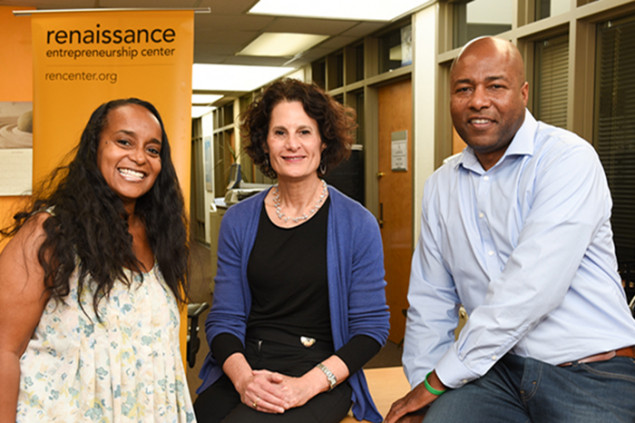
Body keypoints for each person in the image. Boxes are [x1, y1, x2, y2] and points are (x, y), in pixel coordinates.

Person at [385, 36, 635, 423]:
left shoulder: (567, 160)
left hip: (590, 372)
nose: (478, 100)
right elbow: (431, 302)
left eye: (495, 86)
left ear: (523, 93)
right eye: (464, 88)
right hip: (495, 375)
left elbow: (530, 289)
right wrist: (423, 388)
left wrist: (439, 381)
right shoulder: (441, 185)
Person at [194, 78, 390, 423]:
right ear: (265, 143)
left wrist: (307, 385)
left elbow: (370, 329)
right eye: (280, 133)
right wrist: (244, 380)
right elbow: (224, 319)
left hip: (320, 373)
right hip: (247, 365)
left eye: (304, 132)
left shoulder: (357, 224)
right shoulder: (239, 220)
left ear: (323, 140)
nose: (292, 145)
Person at [0, 98, 196, 422]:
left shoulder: (161, 237)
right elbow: (4, 350)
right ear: (95, 148)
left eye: (152, 149)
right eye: (124, 141)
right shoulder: (49, 233)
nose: (138, 157)